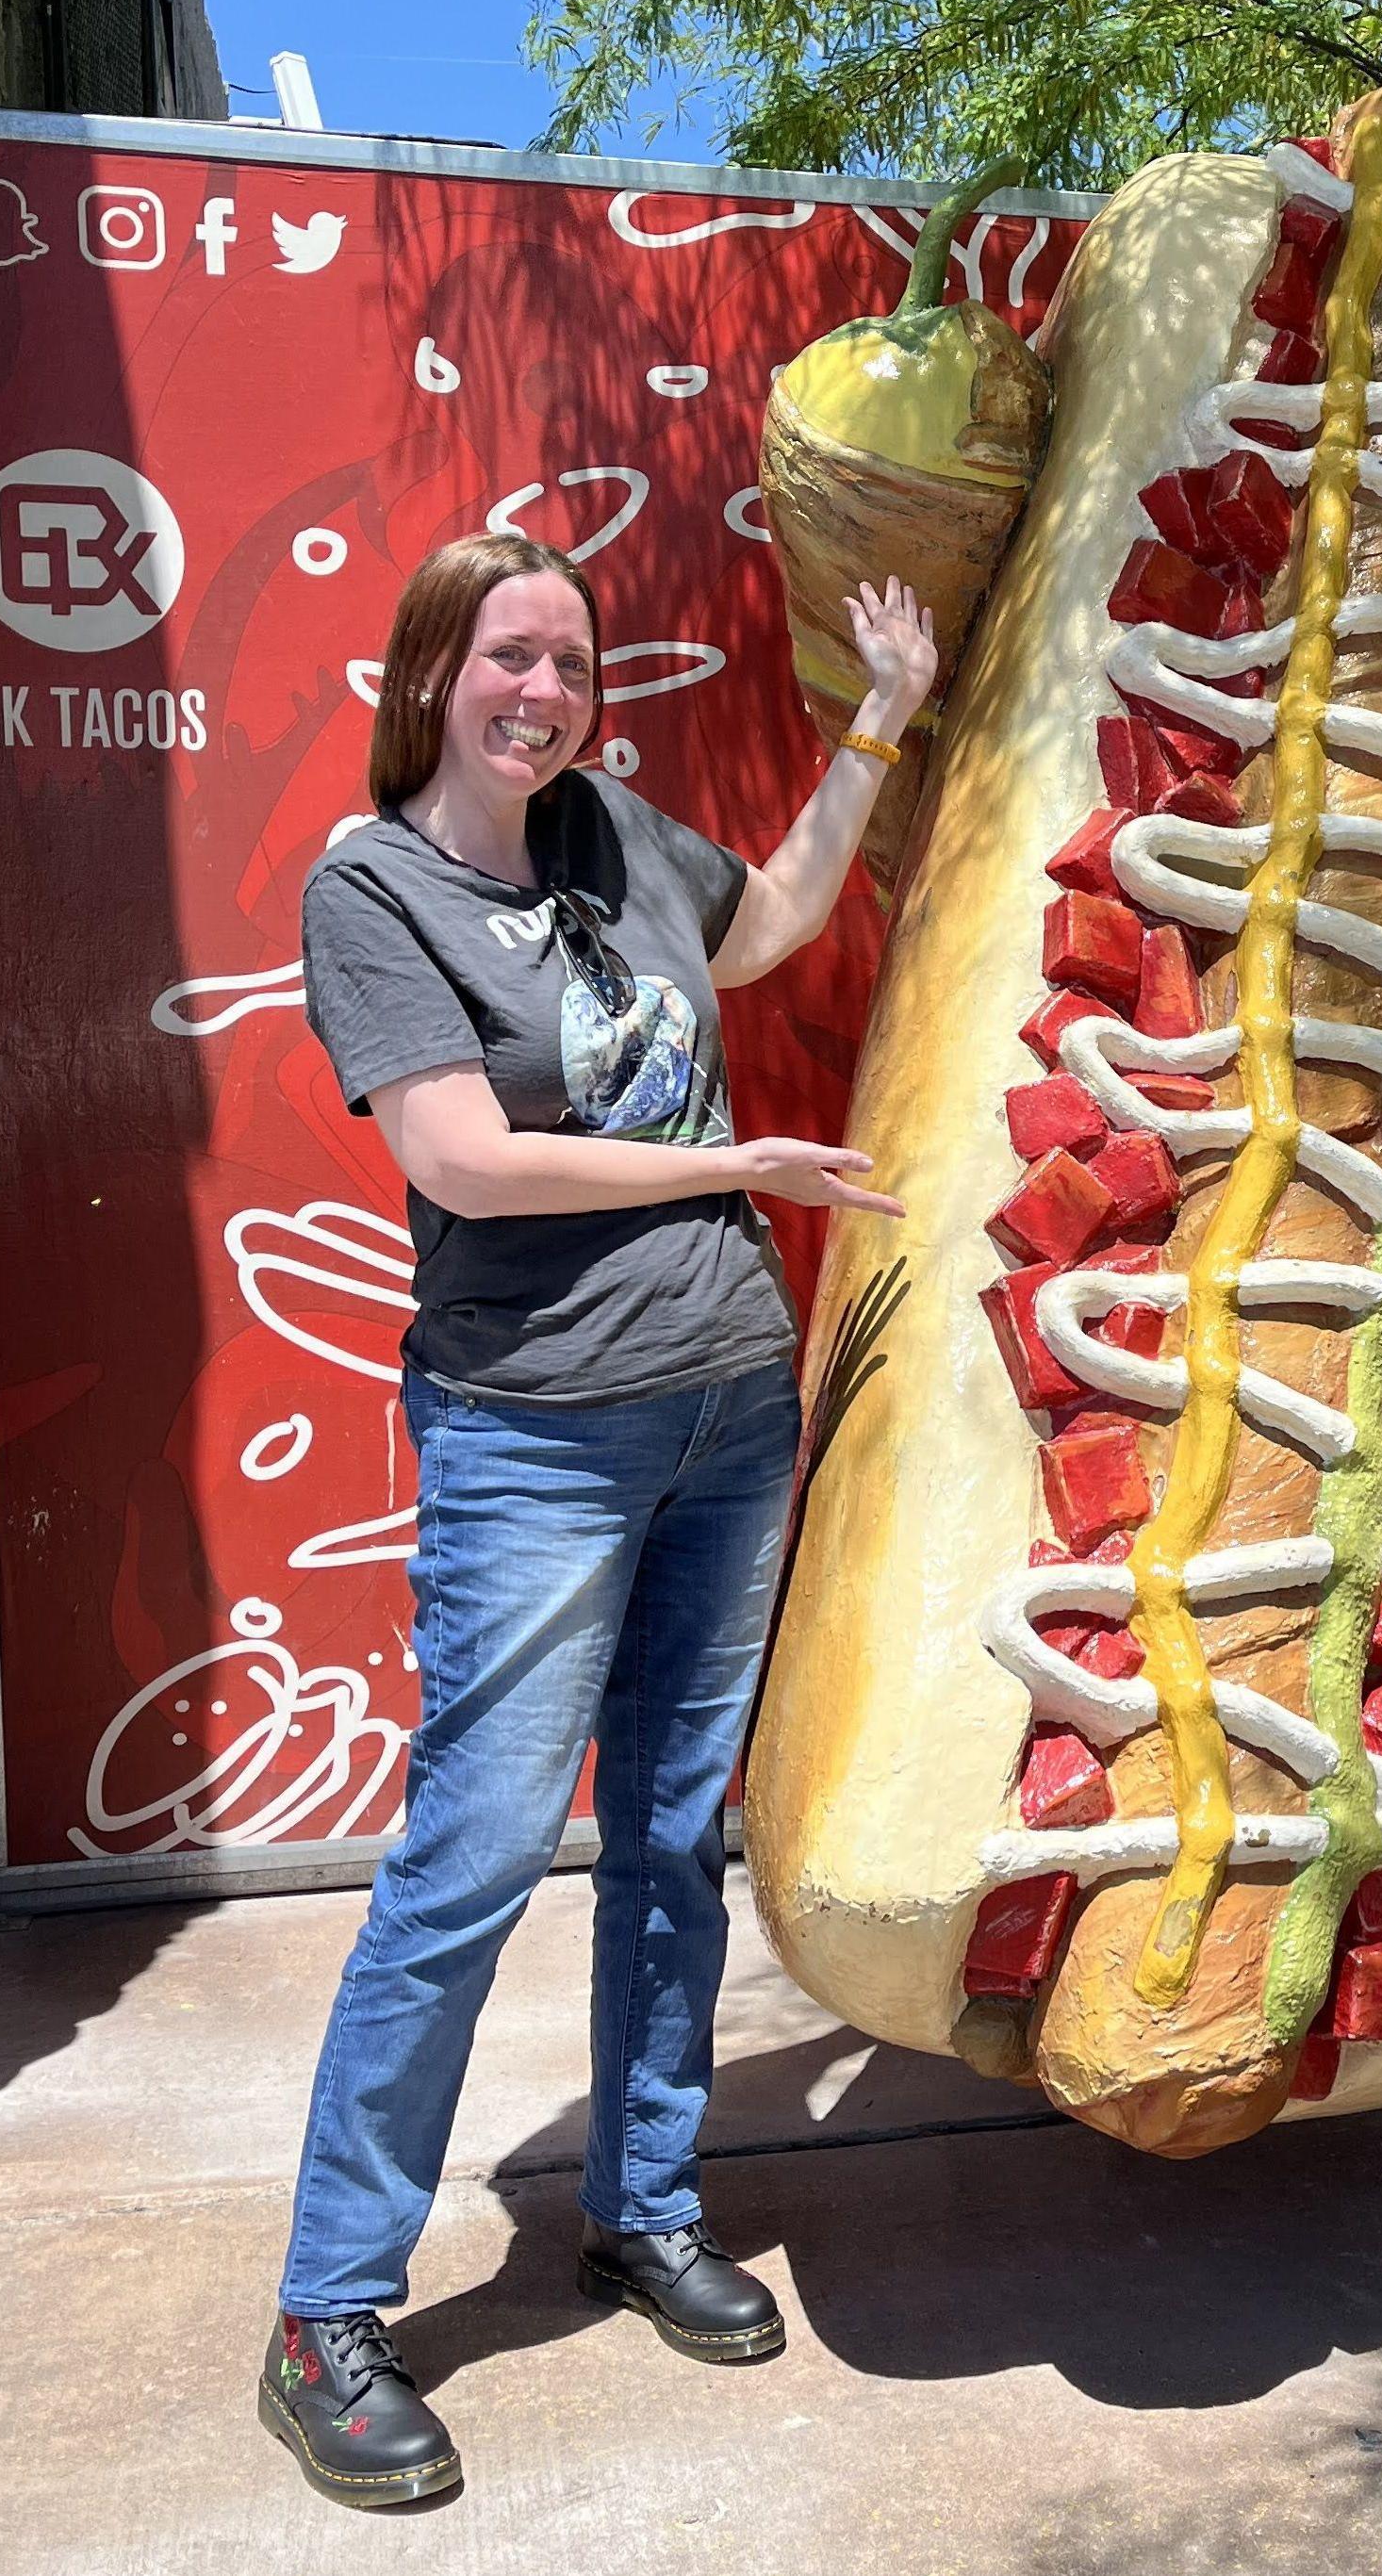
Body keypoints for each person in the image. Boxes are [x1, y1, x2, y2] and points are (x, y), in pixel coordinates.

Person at [260, 532, 930, 2508]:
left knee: (668, 1841)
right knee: (468, 1860)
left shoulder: (614, 834)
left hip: (725, 1405)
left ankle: (642, 2205)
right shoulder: (373, 888)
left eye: (568, 660)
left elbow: (771, 921)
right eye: (507, 656)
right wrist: (734, 1160)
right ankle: (326, 2308)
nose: (542, 691)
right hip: (535, 1435)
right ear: (429, 671)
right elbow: (464, 1159)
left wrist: (881, 725)